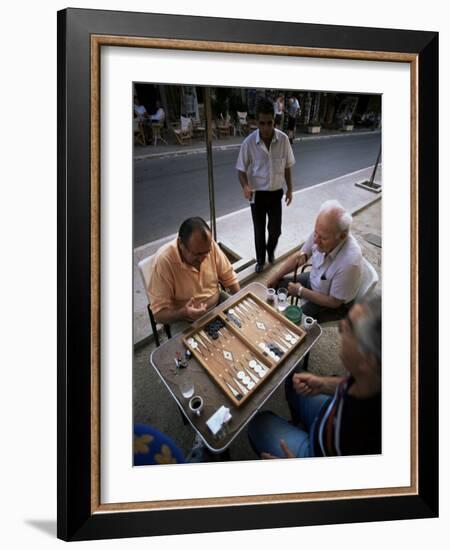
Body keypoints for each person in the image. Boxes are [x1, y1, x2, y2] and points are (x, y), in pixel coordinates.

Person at [247, 294, 382, 459]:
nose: (340, 326)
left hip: (318, 454)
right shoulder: (374, 377)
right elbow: (353, 382)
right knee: (294, 379)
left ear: (366, 359)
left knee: (257, 424)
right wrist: (324, 384)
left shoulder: (366, 440)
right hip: (330, 411)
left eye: (349, 327)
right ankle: (299, 423)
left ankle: (300, 435)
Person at [266, 200, 362, 323]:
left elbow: (334, 302)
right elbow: (299, 257)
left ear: (342, 236)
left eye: (323, 238)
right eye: (315, 233)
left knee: (296, 322)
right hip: (315, 280)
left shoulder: (350, 262)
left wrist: (301, 291)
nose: (316, 241)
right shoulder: (322, 231)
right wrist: (276, 275)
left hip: (332, 303)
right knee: (278, 284)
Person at [236, 97, 295, 273]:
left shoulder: (283, 140)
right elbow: (240, 169)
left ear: (274, 121)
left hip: (276, 193)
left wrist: (290, 189)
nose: (266, 128)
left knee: (275, 230)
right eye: (262, 123)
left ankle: (271, 251)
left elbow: (287, 166)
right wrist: (245, 186)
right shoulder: (248, 144)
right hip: (257, 195)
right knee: (259, 231)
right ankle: (261, 260)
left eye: (270, 123)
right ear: (256, 122)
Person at [148, 217, 240, 324]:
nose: (204, 258)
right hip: (185, 319)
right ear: (181, 244)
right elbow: (158, 315)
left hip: (218, 301)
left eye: (207, 252)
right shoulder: (163, 262)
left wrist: (240, 300)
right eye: (197, 254)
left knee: (245, 324)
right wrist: (182, 313)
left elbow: (229, 277)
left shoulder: (208, 246)